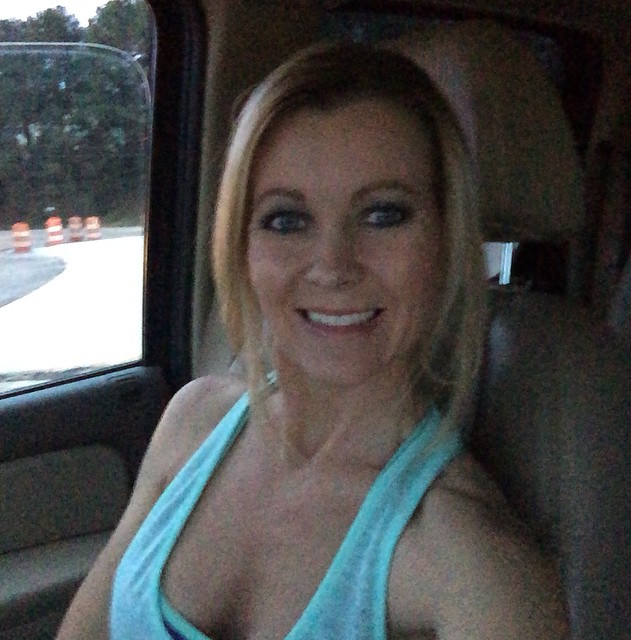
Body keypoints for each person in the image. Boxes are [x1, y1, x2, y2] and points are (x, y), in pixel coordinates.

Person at [56, 42, 568, 640]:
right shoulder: (191, 424)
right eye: (286, 219)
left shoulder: (471, 565)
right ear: (242, 247)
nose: (332, 266)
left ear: (446, 241)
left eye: (383, 215)